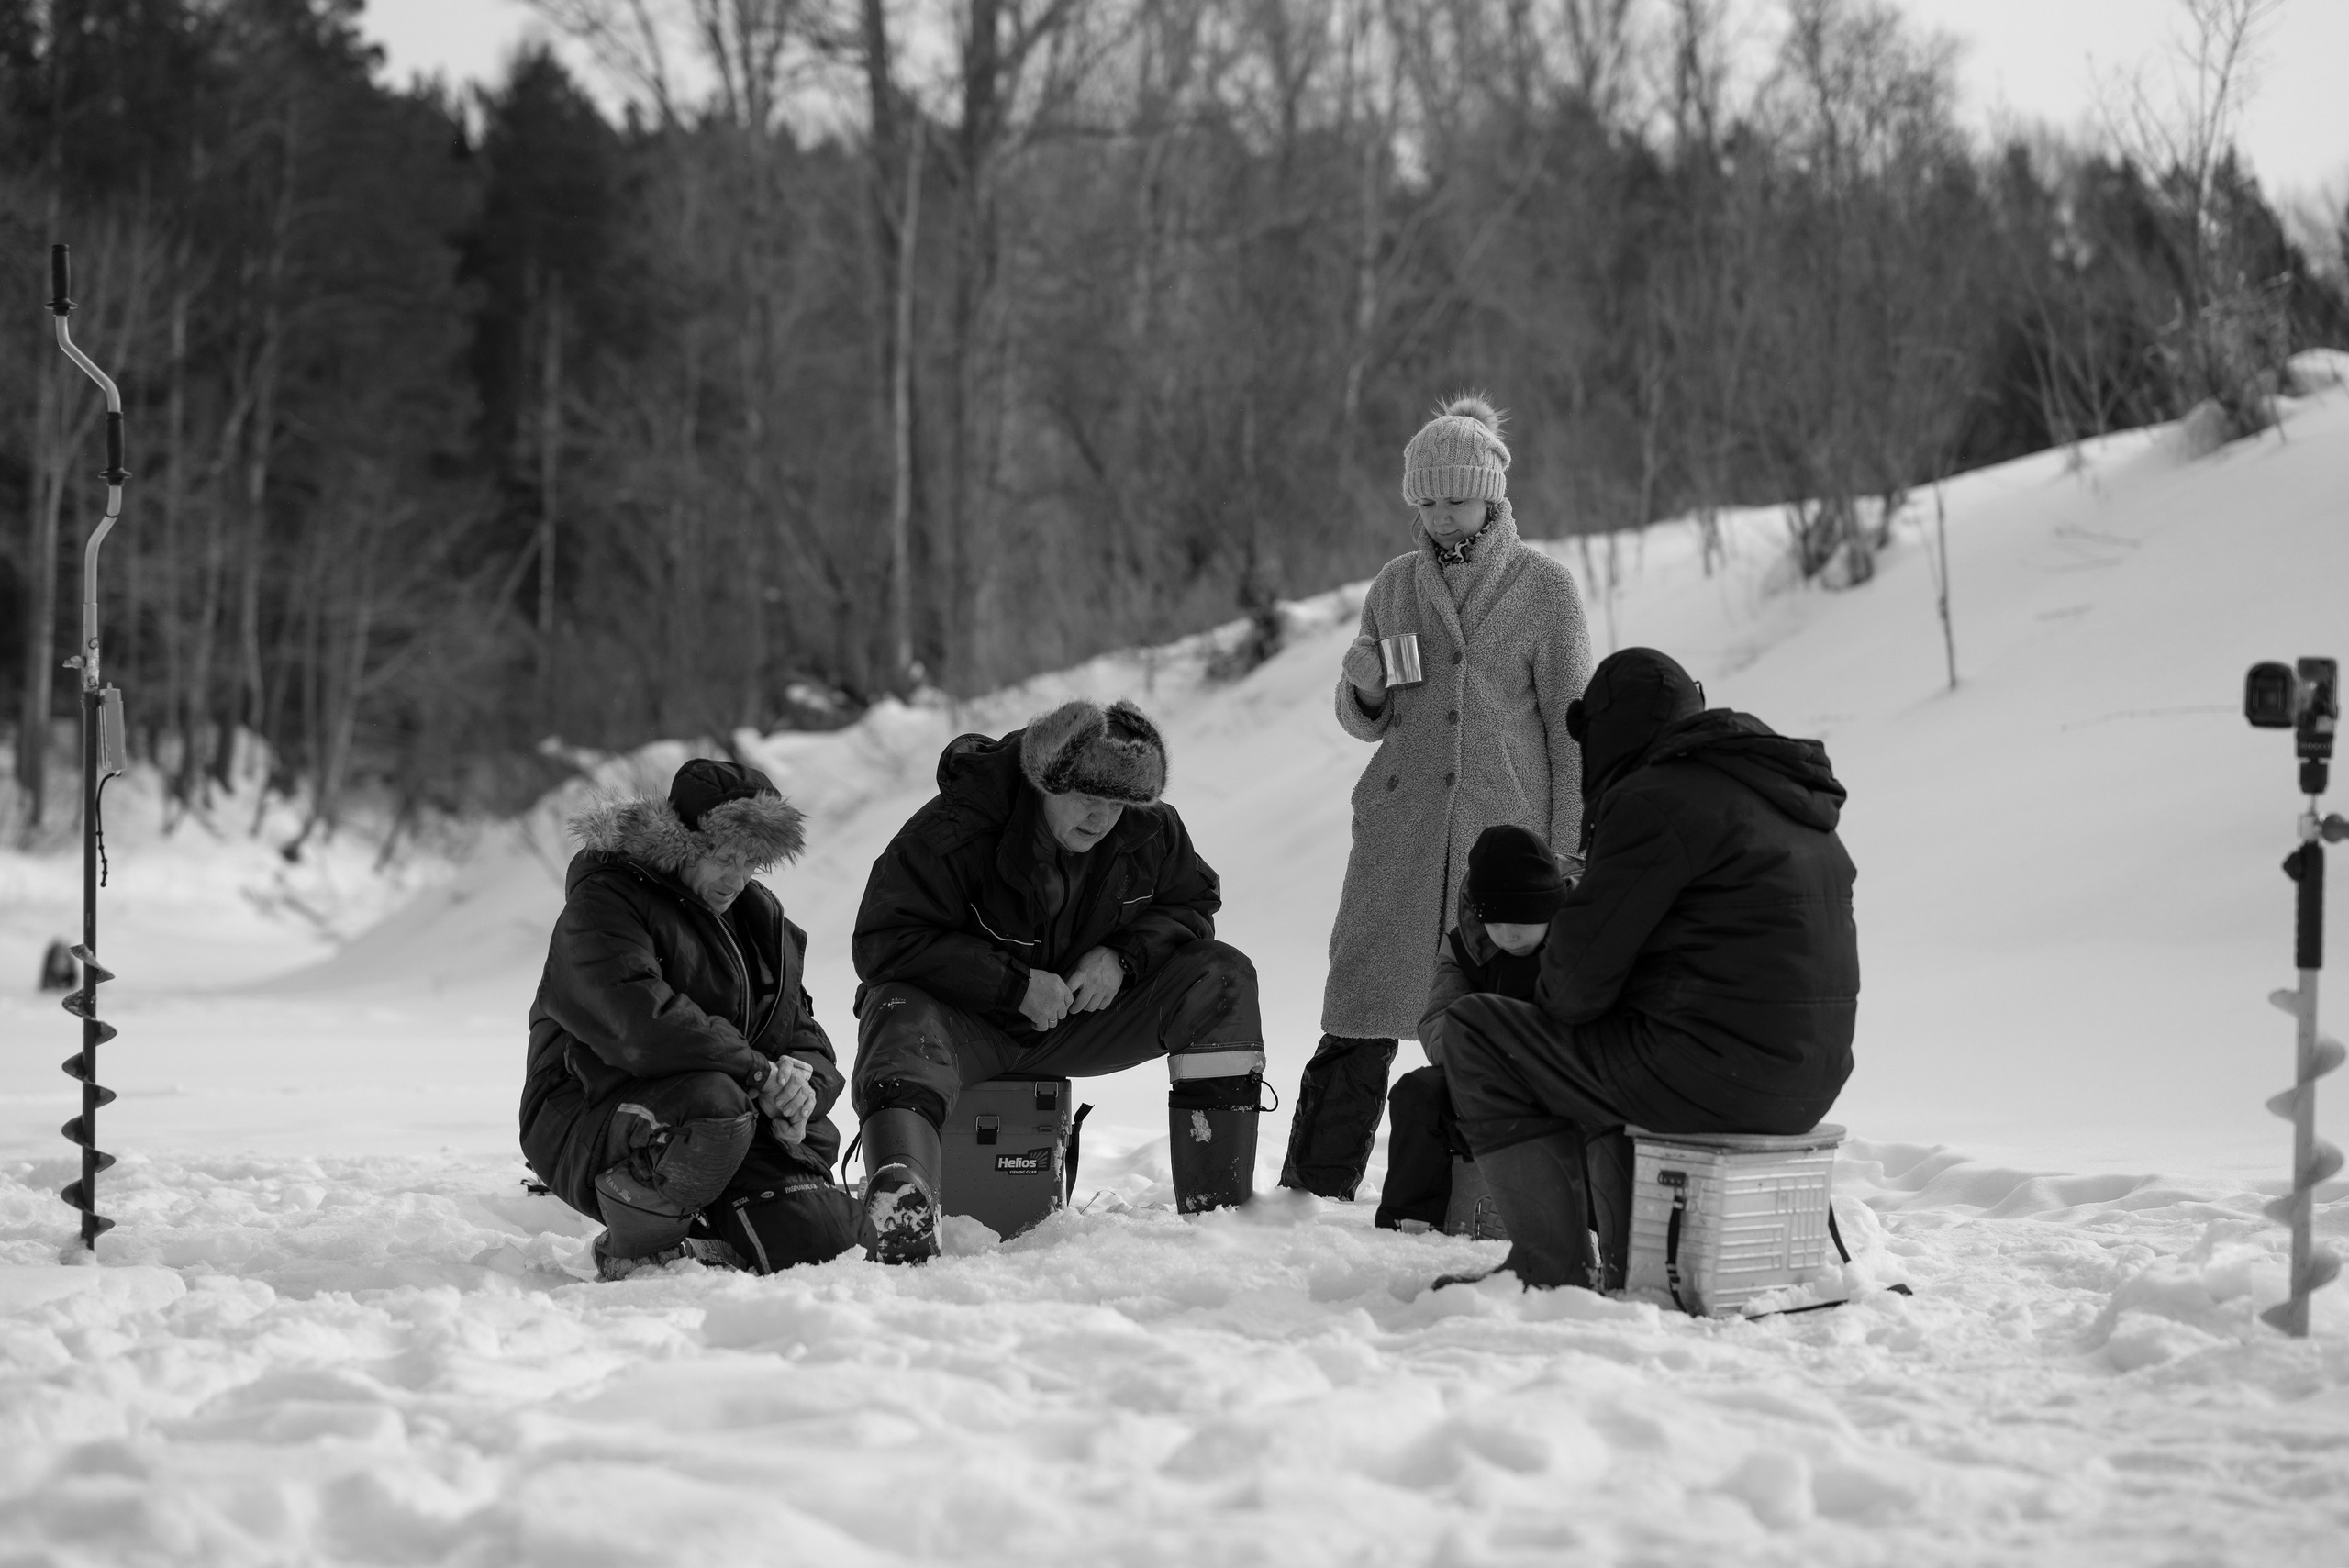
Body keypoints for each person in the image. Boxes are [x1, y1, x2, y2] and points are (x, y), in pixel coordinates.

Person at [1436, 647, 1859, 1292]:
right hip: (1807, 1081)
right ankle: (1629, 1264)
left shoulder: (1654, 798)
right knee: (1614, 1055)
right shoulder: (1791, 802)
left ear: (1608, 732)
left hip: (1711, 1076)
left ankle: (1549, 1269)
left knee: (1475, 1029)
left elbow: (1571, 985)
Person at [1283, 395, 1594, 1201]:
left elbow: (1574, 730)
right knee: (1359, 1003)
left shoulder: (1546, 589)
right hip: (1401, 828)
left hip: (1505, 839)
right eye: (1425, 499)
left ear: (1492, 495)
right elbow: (1368, 717)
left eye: (1454, 497)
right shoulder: (1393, 585)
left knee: (1494, 1010)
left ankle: (1492, 1185)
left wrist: (1564, 850)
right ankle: (1312, 1191)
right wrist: (1364, 691)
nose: (1439, 514)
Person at [850, 697, 1265, 1262]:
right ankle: (903, 1204)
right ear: (1043, 781)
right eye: (1087, 799)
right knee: (895, 1008)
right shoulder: (954, 829)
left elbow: (1192, 902)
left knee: (1223, 975)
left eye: (1116, 805)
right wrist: (1013, 986)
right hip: (961, 1030)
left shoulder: (1151, 829)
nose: (1100, 819)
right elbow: (883, 941)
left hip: (1081, 1022)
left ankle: (1221, 1213)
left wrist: (1123, 956)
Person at [519, 759, 858, 1280]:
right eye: (723, 857)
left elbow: (803, 1033)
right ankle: (638, 1244)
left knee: (823, 1245)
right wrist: (761, 1074)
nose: (737, 878)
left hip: (733, 1118)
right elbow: (642, 1026)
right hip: (591, 1112)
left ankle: (707, 1234)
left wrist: (803, 1086)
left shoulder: (761, 920)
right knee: (714, 1102)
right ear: (683, 842)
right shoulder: (605, 901)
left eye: (752, 862)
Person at [1374, 825, 1568, 1234]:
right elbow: (1437, 1017)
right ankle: (1409, 1225)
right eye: (1496, 924)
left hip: (1573, 1075)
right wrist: (1478, 1055)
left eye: (1523, 922)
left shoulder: (1592, 931)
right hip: (1487, 1075)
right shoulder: (1465, 945)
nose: (1509, 935)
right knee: (1418, 1094)